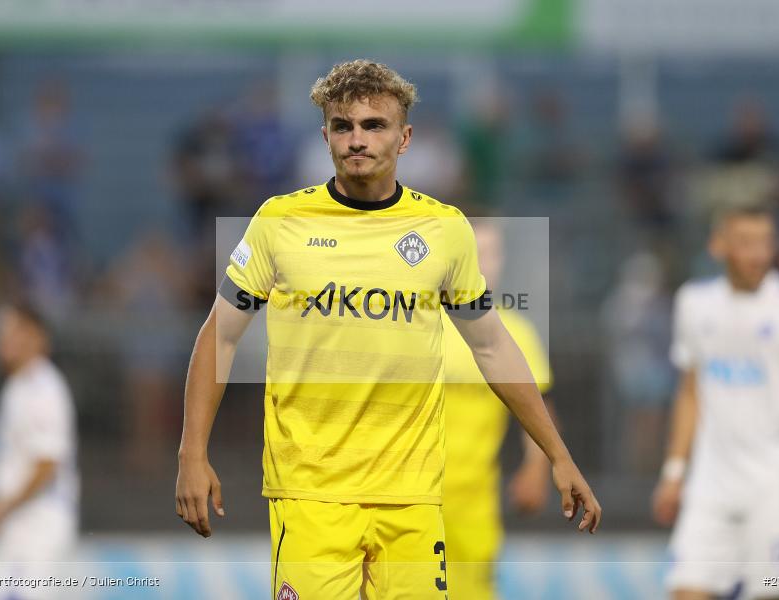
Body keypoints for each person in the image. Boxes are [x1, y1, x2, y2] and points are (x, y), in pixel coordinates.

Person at [175, 59, 601, 600]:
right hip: (312, 494)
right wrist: (192, 453)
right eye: (342, 126)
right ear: (325, 135)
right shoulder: (280, 222)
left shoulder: (444, 230)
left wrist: (557, 456)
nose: (357, 139)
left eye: (373, 125)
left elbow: (492, 346)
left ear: (404, 138)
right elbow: (221, 335)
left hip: (415, 496)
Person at [652, 204, 779, 600]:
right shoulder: (695, 302)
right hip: (710, 486)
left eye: (765, 242)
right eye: (746, 243)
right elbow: (690, 392)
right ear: (718, 246)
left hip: (777, 487)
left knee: (773, 592)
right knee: (685, 591)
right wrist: (675, 470)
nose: (758, 254)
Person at [441, 219, 556, 600]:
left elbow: (537, 407)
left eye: (491, 253)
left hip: (473, 506)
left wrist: (537, 468)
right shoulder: (413, 324)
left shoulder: (515, 333)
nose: (482, 264)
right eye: (473, 252)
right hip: (403, 499)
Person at [0, 301, 79, 598]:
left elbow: (47, 464)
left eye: (13, 329)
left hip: (37, 527)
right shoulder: (17, 387)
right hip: (17, 527)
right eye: (1, 331)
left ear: (37, 337)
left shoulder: (44, 389)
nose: (3, 338)